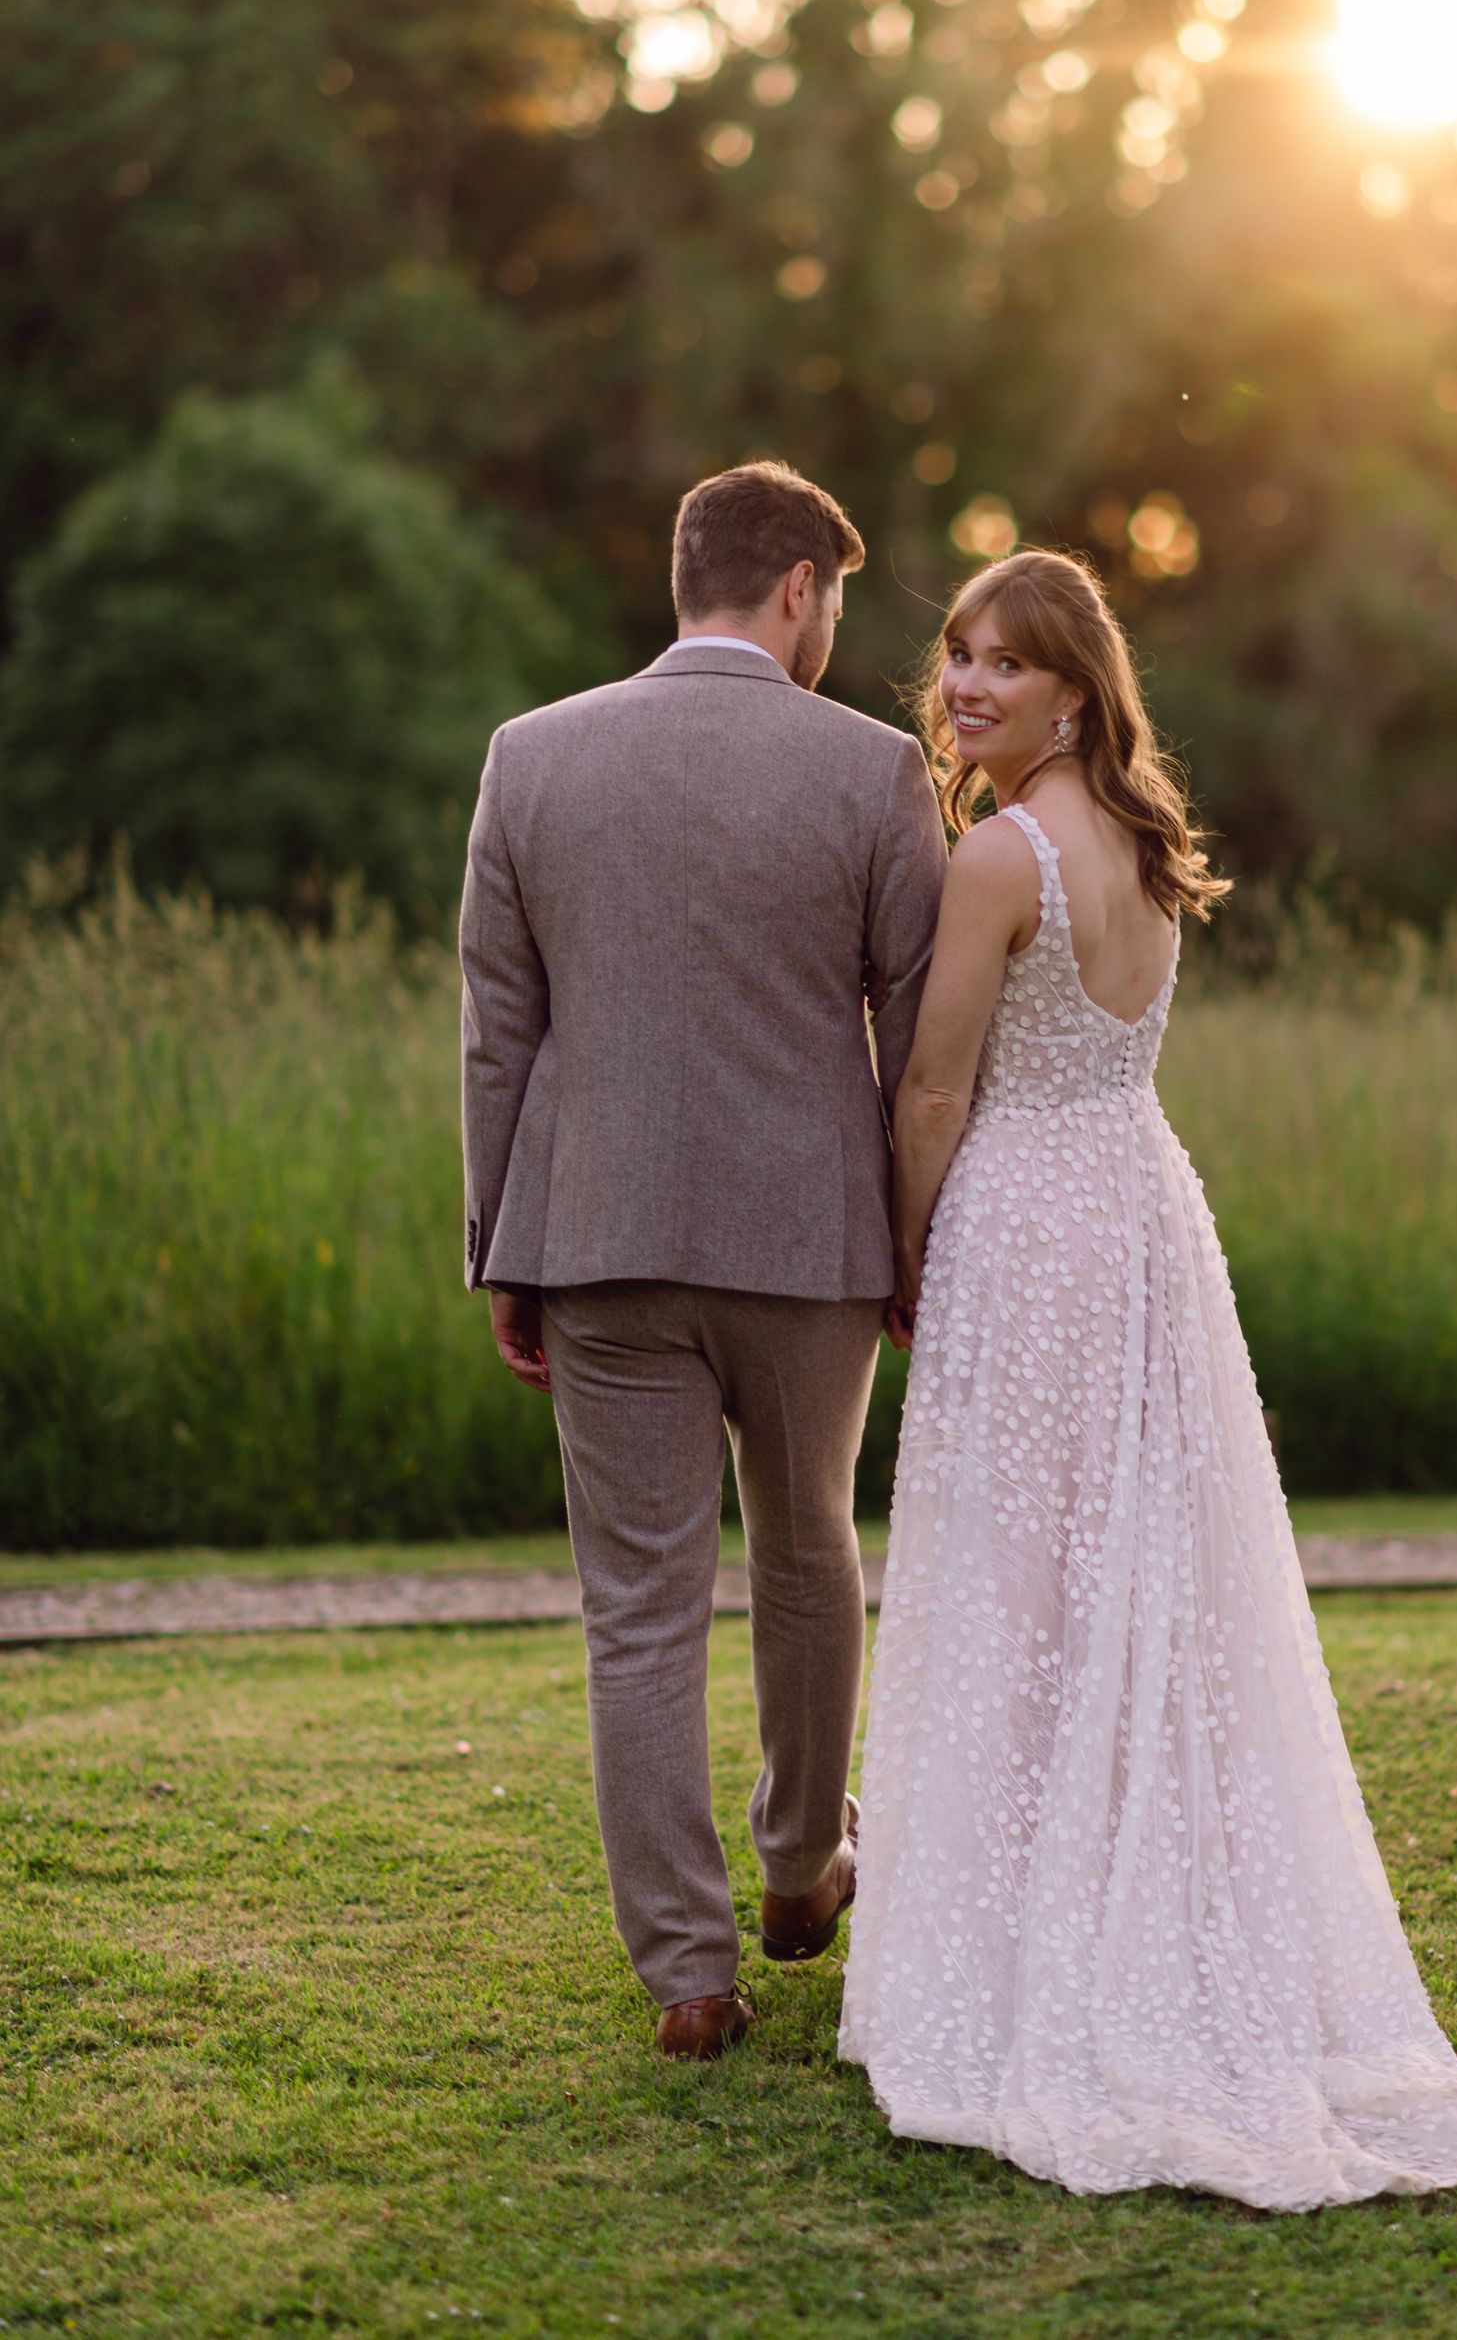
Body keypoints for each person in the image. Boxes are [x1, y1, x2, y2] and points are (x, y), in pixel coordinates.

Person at [841, 547, 1457, 2209]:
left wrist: (904, 1254)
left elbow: (933, 1090)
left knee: (1022, 1582)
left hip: (1032, 1221)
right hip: (1137, 1208)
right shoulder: (1138, 842)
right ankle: (1122, 1907)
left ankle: (1029, 1953)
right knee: (1134, 1575)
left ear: (1074, 692)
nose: (967, 682)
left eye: (1005, 661)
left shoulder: (997, 855)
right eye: (959, 653)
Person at [459, 462, 946, 2061]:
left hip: (598, 1237)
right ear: (800, 586)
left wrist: (501, 1243)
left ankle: (686, 1970)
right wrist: (915, 1238)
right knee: (808, 1552)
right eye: (836, 603)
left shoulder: (531, 755)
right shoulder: (875, 770)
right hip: (812, 1246)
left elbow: (500, 1030)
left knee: (638, 1606)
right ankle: (802, 1867)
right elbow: (923, 1040)